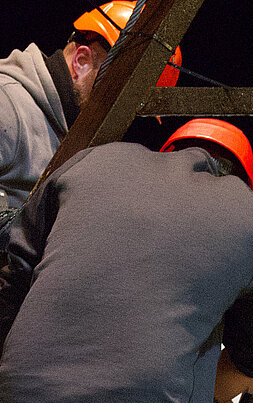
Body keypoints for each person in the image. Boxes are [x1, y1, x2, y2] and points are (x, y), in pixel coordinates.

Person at [0, 118, 253, 403]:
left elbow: (13, 283)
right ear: (246, 182)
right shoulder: (251, 216)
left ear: (168, 151)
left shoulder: (91, 161)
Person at [0, 1, 181, 239]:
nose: (121, 113)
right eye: (117, 94)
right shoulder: (8, 103)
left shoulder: (76, 136)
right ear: (82, 62)